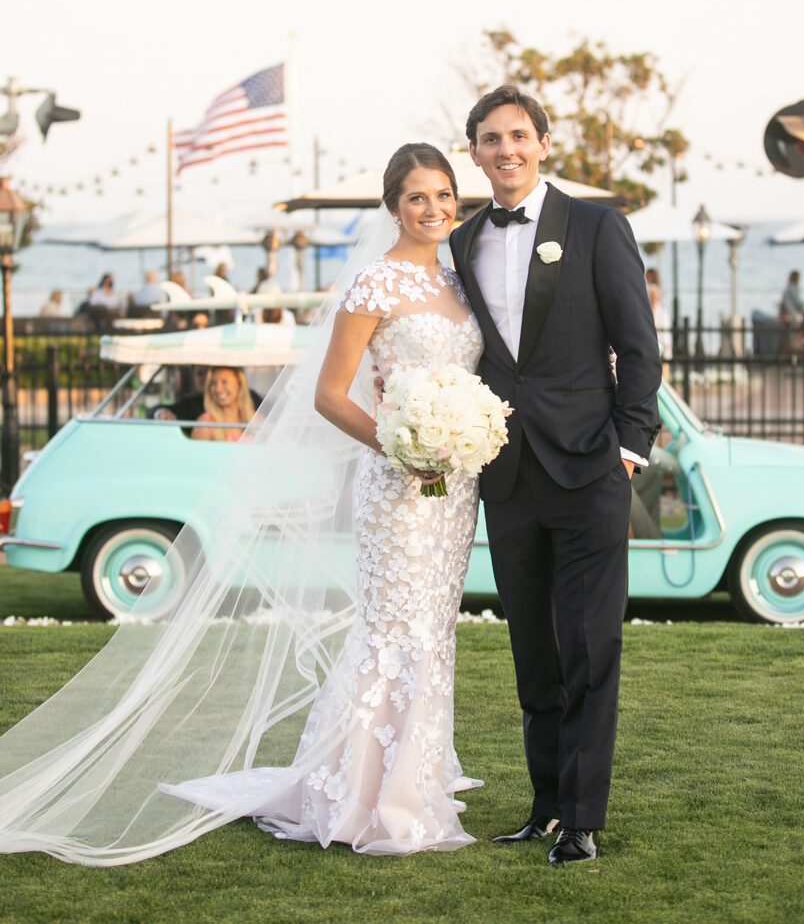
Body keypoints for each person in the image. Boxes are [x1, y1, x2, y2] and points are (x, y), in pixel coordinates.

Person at [0, 143, 483, 864]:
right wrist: (398, 446)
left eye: (445, 194)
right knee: (392, 631)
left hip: (455, 490)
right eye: (418, 197)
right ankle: (363, 792)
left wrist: (458, 436)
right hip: (397, 483)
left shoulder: (460, 282)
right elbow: (328, 394)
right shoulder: (371, 287)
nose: (435, 208)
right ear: (392, 207)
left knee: (433, 632)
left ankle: (416, 776)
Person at [450, 83, 662, 868]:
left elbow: (639, 346)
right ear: (473, 153)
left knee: (589, 646)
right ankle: (543, 805)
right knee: (533, 651)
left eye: (517, 136)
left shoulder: (598, 225)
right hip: (505, 475)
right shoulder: (463, 242)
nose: (504, 150)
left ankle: (583, 818)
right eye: (489, 139)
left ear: (543, 142)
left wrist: (629, 446)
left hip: (590, 470)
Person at [191, 367, 256, 442]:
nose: (218, 389)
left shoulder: (255, 420)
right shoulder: (205, 424)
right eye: (213, 383)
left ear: (239, 383)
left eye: (224, 382)